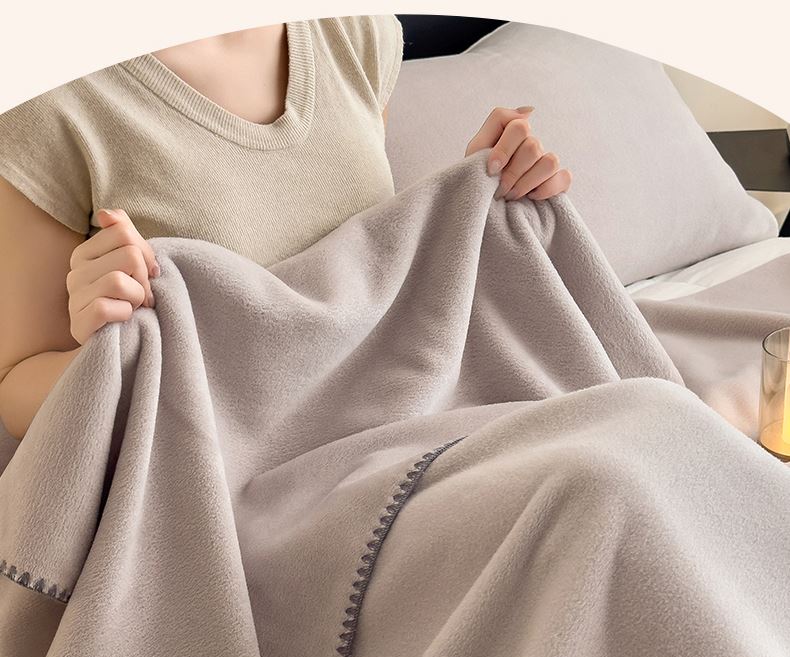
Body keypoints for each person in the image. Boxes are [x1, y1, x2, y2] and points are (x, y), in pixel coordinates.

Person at [0, 15, 572, 441]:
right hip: (246, 488)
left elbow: (366, 274)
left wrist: (471, 206)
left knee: (618, 438)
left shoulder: (350, 27)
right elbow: (15, 390)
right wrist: (111, 345)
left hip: (409, 422)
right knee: (594, 482)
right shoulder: (50, 96)